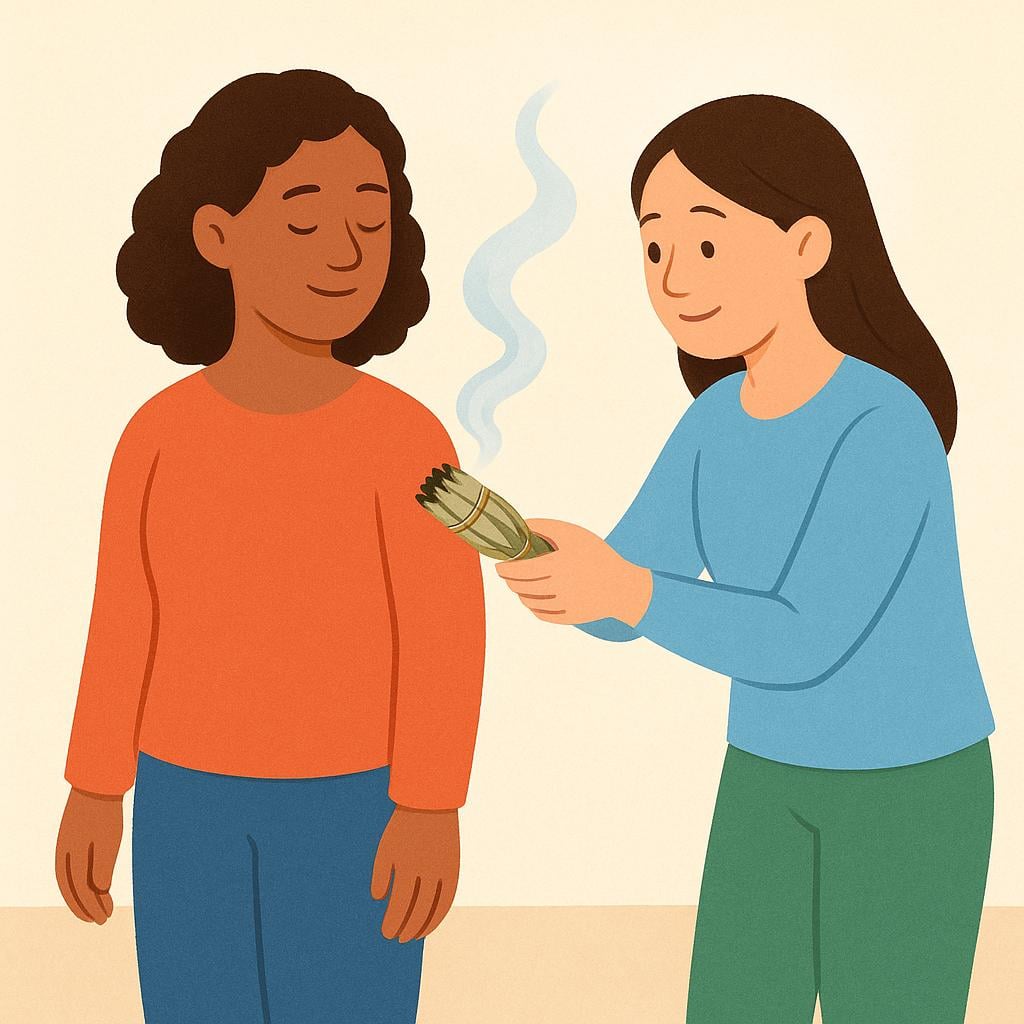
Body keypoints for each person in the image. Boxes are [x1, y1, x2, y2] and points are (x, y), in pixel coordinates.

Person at [497, 94, 995, 1024]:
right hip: (766, 778)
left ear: (809, 245)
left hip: (909, 791)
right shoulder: (713, 422)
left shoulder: (886, 425)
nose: (675, 277)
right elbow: (629, 595)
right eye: (653, 248)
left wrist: (626, 589)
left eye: (708, 242)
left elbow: (802, 636)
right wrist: (555, 567)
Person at [55, 69, 486, 1024]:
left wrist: (429, 803)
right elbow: (123, 619)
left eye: (371, 221)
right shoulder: (155, 436)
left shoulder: (409, 439)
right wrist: (94, 786)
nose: (343, 249)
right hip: (184, 809)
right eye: (303, 219)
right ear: (217, 236)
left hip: (354, 809)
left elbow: (446, 628)